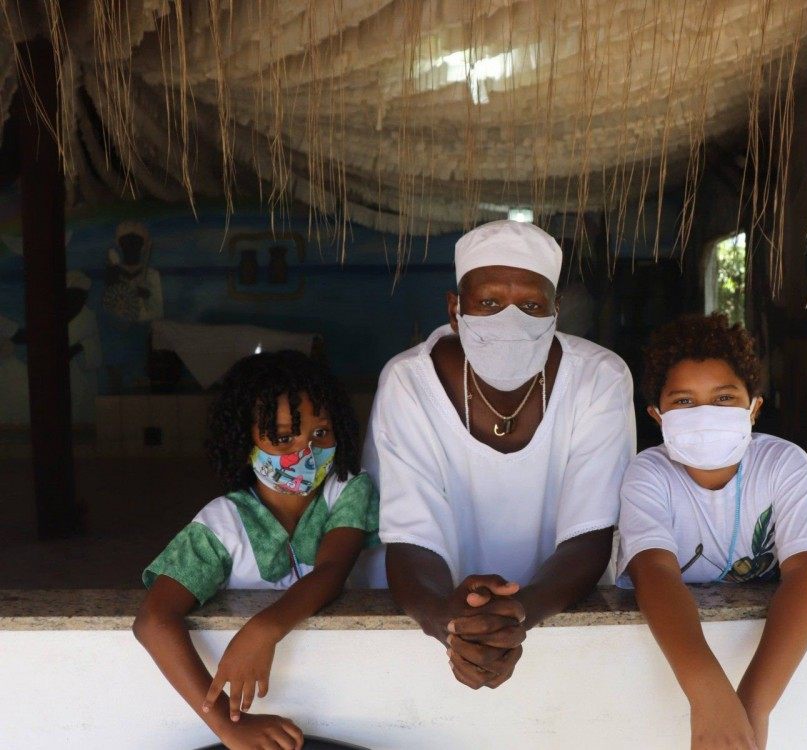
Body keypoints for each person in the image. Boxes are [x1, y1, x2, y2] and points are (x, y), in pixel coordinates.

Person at [363, 219, 634, 690]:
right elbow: (409, 539)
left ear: (556, 311)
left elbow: (591, 535)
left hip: (562, 614)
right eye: (488, 303)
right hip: (424, 624)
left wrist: (518, 616)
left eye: (530, 305)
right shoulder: (408, 381)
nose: (511, 322)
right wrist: (451, 625)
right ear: (454, 310)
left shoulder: (599, 379)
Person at [133, 350, 380, 750]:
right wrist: (228, 726)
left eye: (320, 434)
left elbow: (332, 570)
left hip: (353, 696)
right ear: (242, 439)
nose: (305, 452)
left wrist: (263, 629)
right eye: (283, 438)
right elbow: (153, 620)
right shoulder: (221, 524)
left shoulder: (348, 489)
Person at [617, 313, 807, 749]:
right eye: (683, 402)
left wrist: (750, 709)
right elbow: (653, 573)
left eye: (723, 398)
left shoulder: (784, 464)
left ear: (753, 407)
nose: (704, 414)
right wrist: (709, 695)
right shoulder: (648, 474)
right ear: (657, 415)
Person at [65, 270, 102, 424]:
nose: (78, 298)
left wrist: (79, 347)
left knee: (84, 415)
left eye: (82, 294)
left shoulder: (89, 317)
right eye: (74, 293)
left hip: (83, 378)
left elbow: (96, 353)